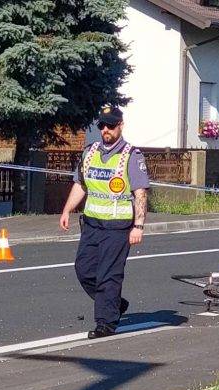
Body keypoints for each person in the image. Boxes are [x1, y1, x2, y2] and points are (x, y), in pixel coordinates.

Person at [59, 106, 150, 339]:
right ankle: (115, 304)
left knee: (108, 275)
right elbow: (80, 184)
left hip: (118, 227)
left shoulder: (131, 155)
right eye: (102, 126)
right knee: (84, 270)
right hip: (91, 224)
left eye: (110, 125)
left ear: (121, 125)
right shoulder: (90, 152)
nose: (106, 130)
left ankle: (106, 323)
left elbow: (140, 193)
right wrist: (68, 209)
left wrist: (138, 226)